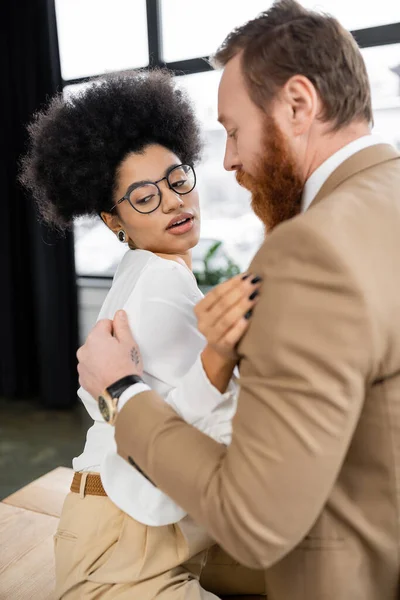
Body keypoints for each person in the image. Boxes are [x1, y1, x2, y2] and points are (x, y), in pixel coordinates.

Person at [76, 1, 400, 599]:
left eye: (232, 129)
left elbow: (256, 520)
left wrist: (122, 391)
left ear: (299, 105)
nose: (227, 159)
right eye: (145, 197)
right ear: (113, 219)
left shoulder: (311, 251)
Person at [20, 70, 264, 599]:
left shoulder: (149, 268)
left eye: (177, 180)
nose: (174, 202)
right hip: (118, 551)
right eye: (144, 197)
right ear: (115, 221)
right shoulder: (157, 281)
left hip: (144, 523)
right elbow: (188, 425)